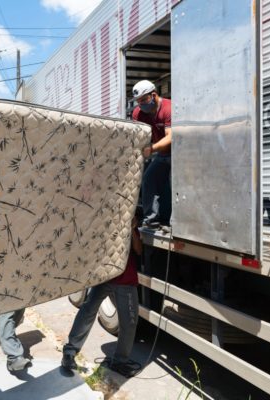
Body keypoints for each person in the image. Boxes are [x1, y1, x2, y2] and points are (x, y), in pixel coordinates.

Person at [61, 208, 143, 377]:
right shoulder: (104, 221)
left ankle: (120, 361)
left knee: (129, 322)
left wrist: (132, 229)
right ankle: (69, 352)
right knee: (88, 310)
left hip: (125, 279)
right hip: (104, 277)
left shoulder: (130, 224)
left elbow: (139, 250)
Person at [132, 80, 172, 227]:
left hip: (178, 155)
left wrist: (152, 148)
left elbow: (171, 136)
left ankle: (170, 220)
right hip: (161, 155)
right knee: (149, 179)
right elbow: (137, 135)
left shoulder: (167, 108)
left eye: (144, 100)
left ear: (153, 95)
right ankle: (152, 219)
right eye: (138, 101)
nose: (141, 104)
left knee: (171, 183)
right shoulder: (138, 113)